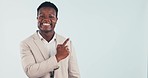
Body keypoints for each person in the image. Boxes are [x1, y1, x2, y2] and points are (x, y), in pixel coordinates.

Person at [20, 1, 80, 78]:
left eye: (51, 16)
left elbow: (74, 75)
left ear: (56, 19)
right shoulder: (26, 43)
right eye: (42, 16)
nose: (46, 20)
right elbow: (31, 72)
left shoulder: (67, 43)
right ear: (37, 18)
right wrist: (57, 57)